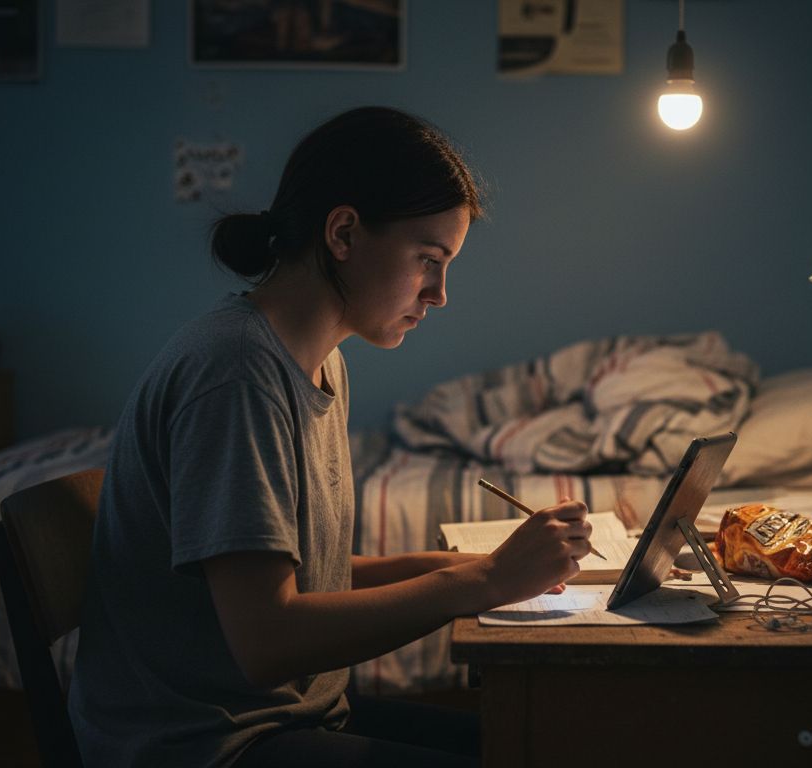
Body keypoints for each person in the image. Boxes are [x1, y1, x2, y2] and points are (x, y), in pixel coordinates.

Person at [67, 106, 593, 768]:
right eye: (428, 259)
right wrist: (486, 579)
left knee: (548, 744)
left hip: (281, 718)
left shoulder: (318, 363)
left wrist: (479, 567)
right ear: (343, 232)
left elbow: (305, 578)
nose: (439, 294)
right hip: (206, 745)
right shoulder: (237, 372)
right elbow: (267, 640)